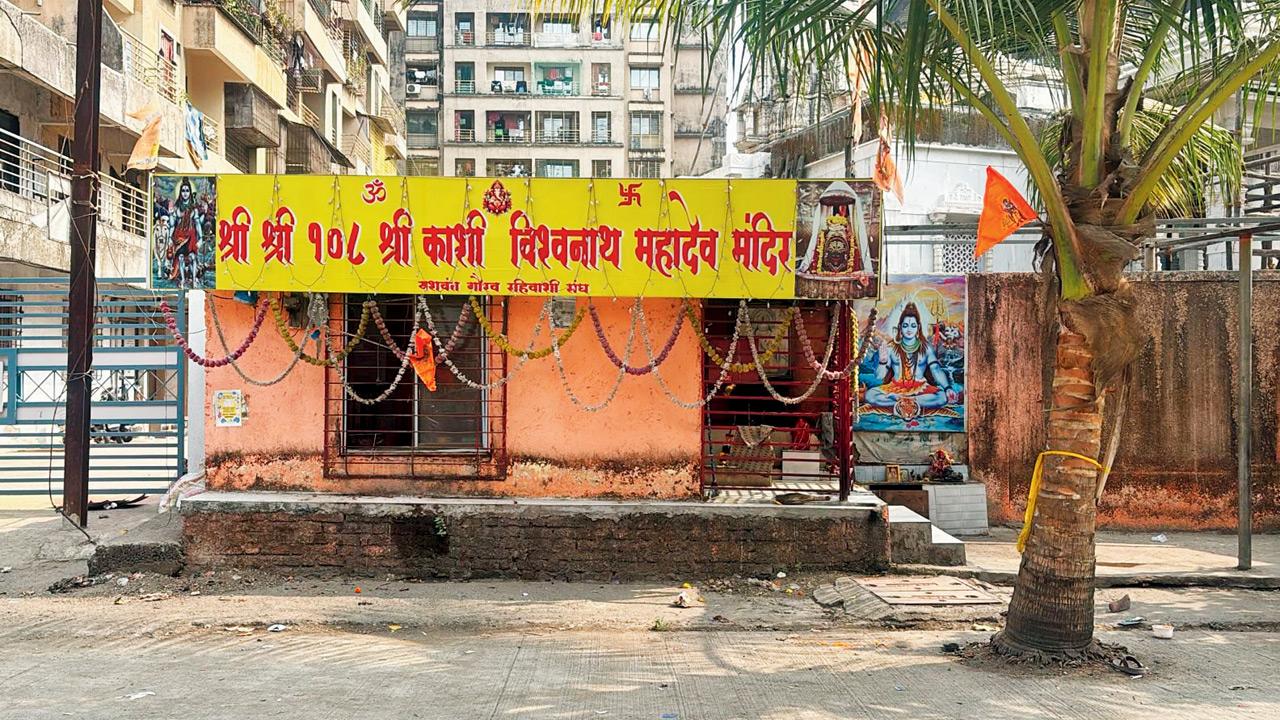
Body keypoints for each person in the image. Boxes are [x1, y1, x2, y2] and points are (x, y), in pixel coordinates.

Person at [863, 302, 960, 410]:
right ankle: (909, 401)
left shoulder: (926, 348)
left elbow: (936, 369)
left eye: (913, 326)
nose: (909, 329)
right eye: (905, 325)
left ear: (918, 327)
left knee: (941, 397)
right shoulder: (891, 348)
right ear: (900, 327)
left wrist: (947, 388)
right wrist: (882, 362)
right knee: (870, 395)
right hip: (895, 388)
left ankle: (902, 401)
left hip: (920, 389)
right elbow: (879, 376)